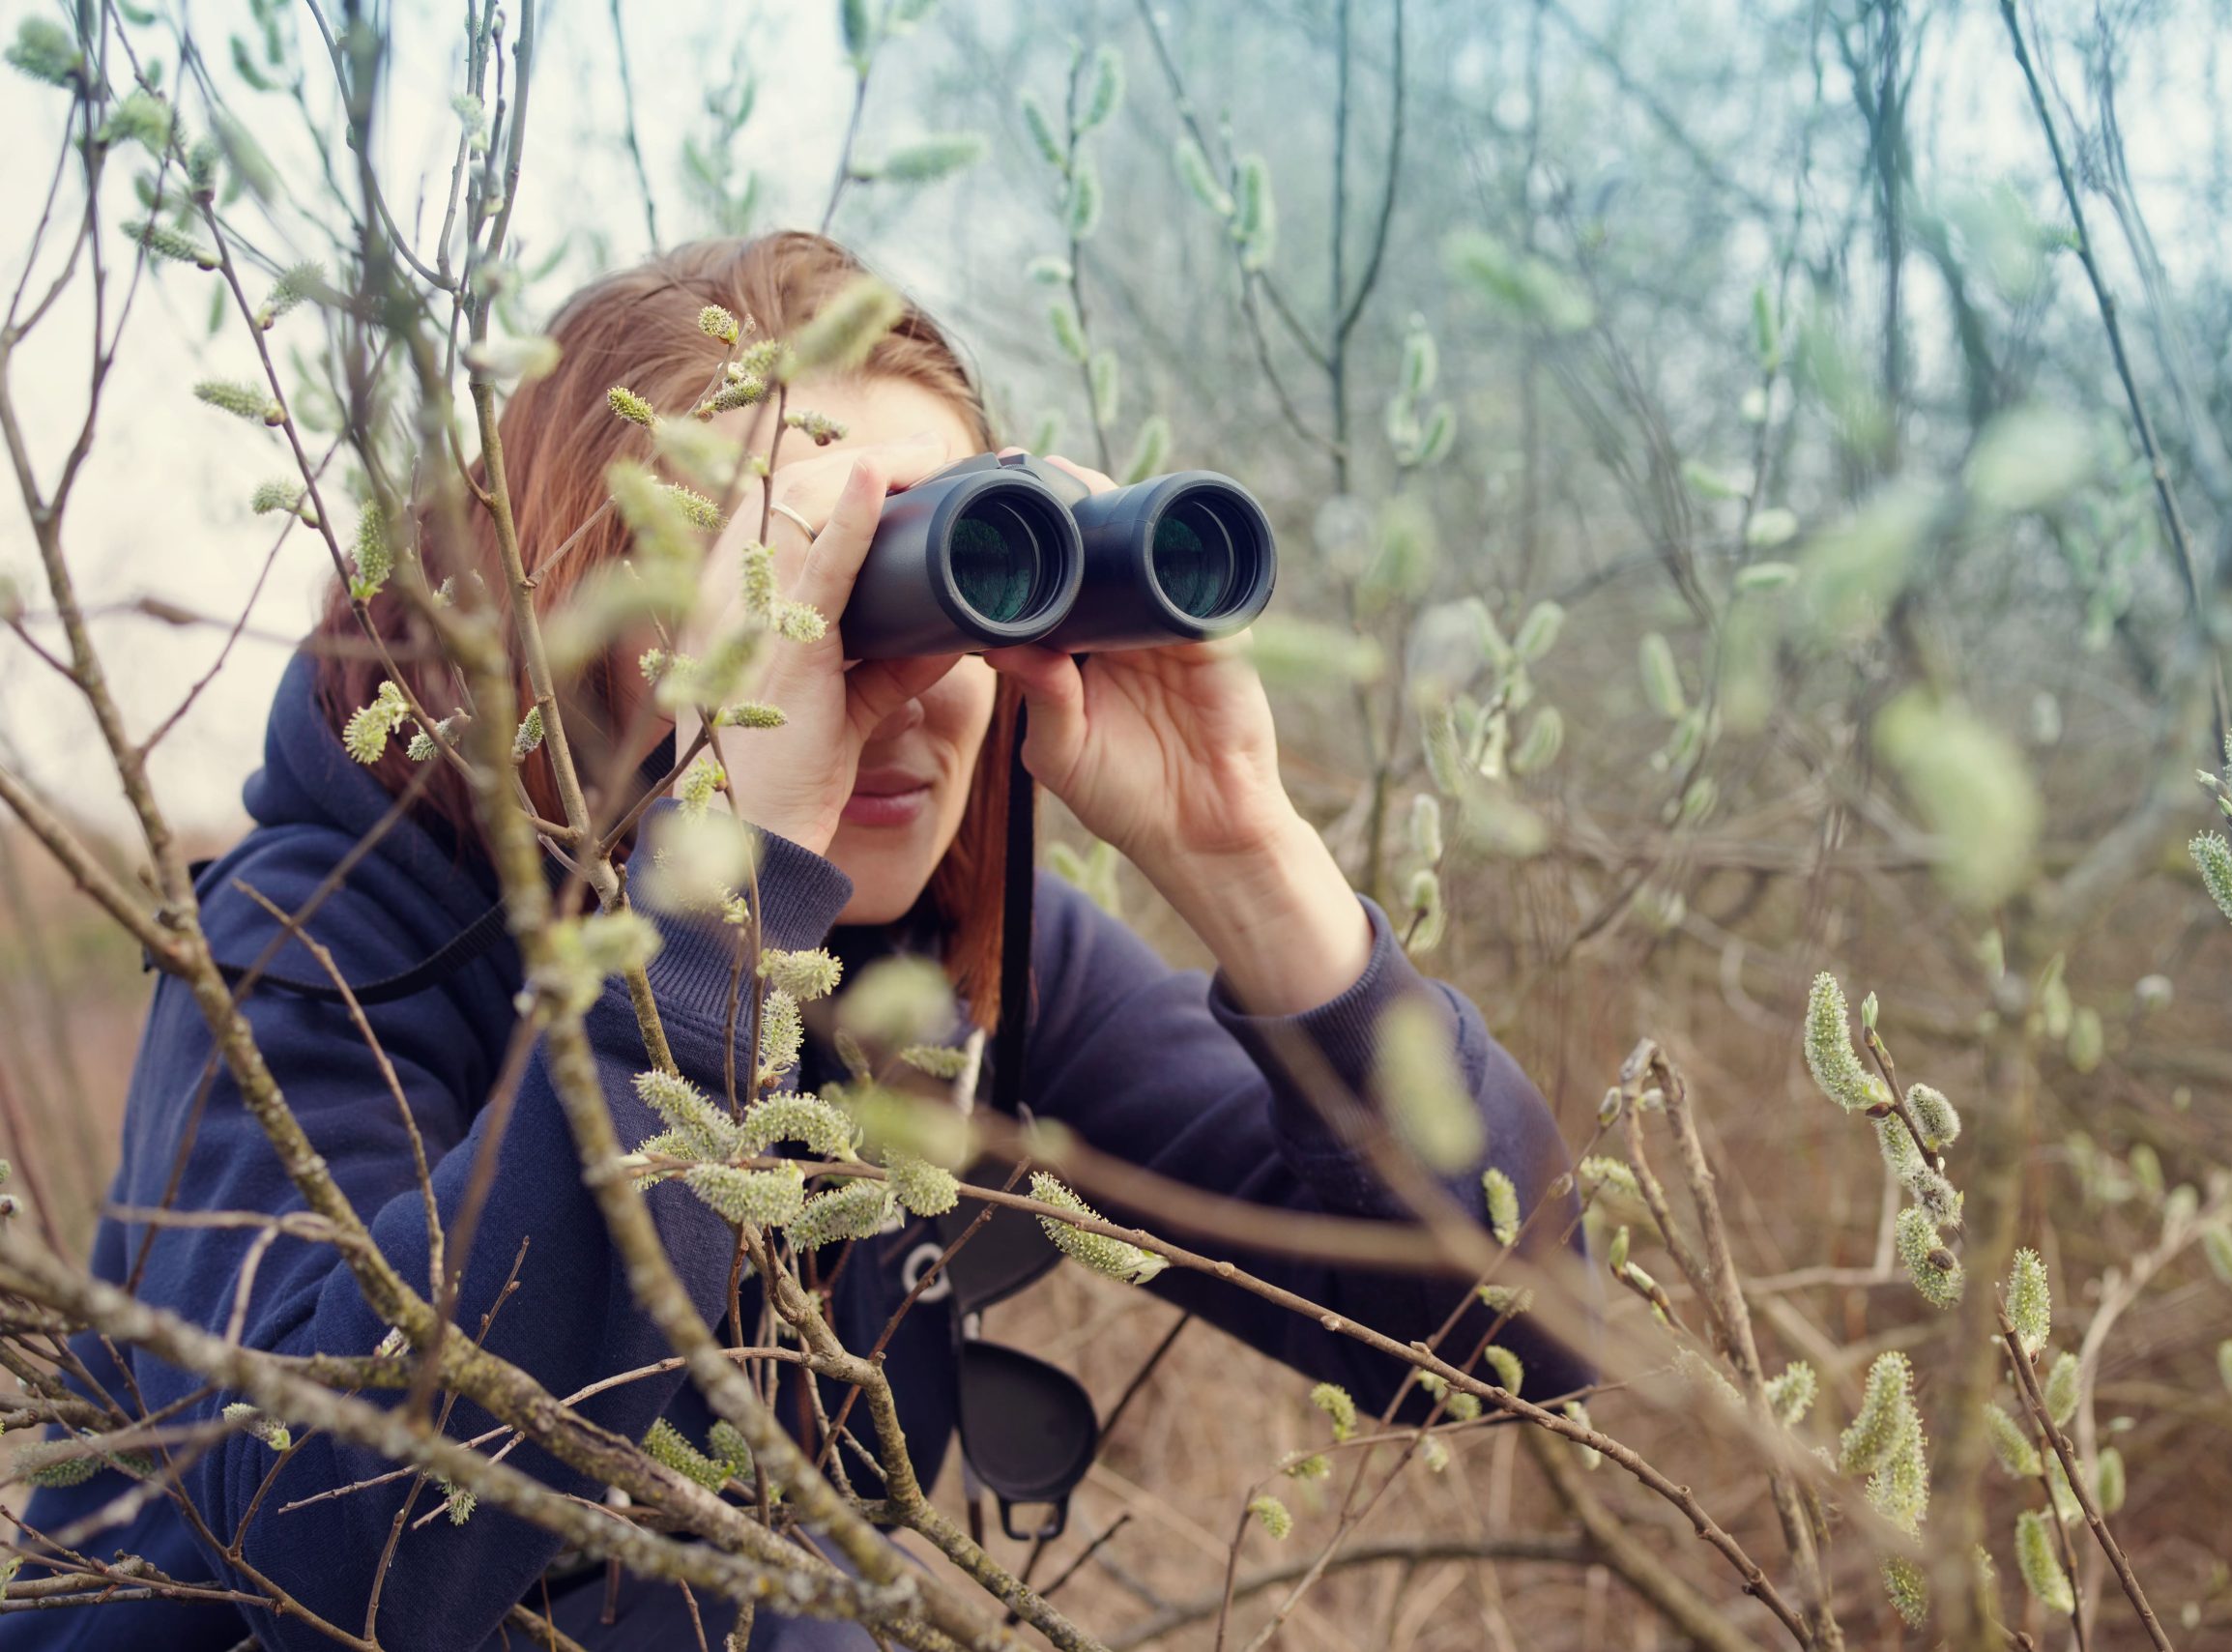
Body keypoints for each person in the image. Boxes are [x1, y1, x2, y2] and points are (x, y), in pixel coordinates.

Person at [14, 231, 1588, 1651]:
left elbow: (1510, 1338)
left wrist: (1252, 862)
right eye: (814, 589)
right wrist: (710, 928)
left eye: (959, 578)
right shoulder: (332, 932)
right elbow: (354, 1569)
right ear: (596, 630)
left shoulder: (945, 949)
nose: (905, 674)